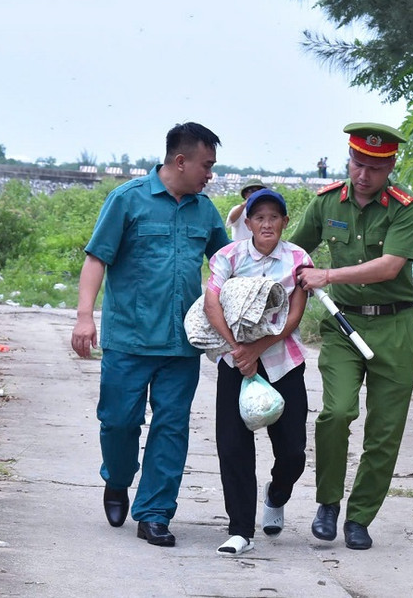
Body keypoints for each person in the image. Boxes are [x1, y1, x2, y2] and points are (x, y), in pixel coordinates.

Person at [70, 122, 230, 548]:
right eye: (206, 165)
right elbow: (95, 259)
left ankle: (155, 513)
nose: (210, 174)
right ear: (181, 161)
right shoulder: (128, 200)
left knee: (172, 427)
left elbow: (227, 267)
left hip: (182, 345)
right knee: (119, 422)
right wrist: (85, 316)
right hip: (129, 339)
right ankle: (118, 479)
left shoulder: (205, 211)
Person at [290, 122, 413, 551]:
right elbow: (295, 254)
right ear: (348, 160)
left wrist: (327, 274)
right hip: (343, 325)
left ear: (391, 167)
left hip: (394, 328)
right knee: (337, 412)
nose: (364, 175)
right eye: (357, 164)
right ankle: (328, 502)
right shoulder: (328, 201)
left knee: (385, 431)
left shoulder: (405, 207)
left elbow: (388, 266)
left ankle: (360, 517)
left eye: (375, 168)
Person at [203, 188, 312, 556]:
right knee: (233, 446)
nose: (267, 223)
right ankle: (239, 530)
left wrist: (258, 348)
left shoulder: (298, 258)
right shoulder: (228, 256)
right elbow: (212, 301)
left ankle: (277, 492)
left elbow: (295, 311)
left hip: (283, 360)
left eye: (274, 217)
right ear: (247, 223)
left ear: (284, 222)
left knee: (293, 449)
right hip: (235, 359)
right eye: (259, 217)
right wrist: (237, 350)